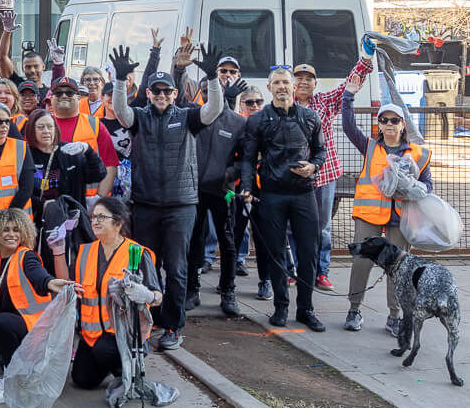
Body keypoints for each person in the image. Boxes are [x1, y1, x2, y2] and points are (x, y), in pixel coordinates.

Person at [108, 46, 221, 351]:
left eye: (166, 91)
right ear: (148, 92)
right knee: (143, 267)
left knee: (177, 268)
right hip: (144, 205)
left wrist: (212, 77)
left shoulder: (187, 117)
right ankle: (145, 324)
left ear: (174, 93)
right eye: (156, 91)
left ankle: (172, 325)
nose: (161, 95)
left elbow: (213, 110)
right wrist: (120, 80)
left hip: (181, 205)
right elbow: (121, 112)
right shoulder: (140, 117)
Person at [342, 71, 430, 335]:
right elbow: (348, 126)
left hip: (400, 218)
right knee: (361, 262)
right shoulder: (369, 147)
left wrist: (411, 187)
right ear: (379, 124)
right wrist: (348, 96)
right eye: (384, 120)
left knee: (398, 269)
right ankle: (354, 309)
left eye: (394, 120)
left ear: (403, 124)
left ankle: (395, 316)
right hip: (369, 215)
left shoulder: (418, 153)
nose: (389, 124)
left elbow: (428, 186)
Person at [240, 66, 327, 331]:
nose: (281, 87)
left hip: (303, 194)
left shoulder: (310, 117)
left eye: (285, 82)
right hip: (272, 194)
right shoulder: (258, 120)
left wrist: (313, 167)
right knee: (276, 252)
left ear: (293, 86)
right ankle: (280, 307)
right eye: (276, 82)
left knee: (308, 252)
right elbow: (247, 158)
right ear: (269, 88)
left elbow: (321, 151)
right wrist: (246, 188)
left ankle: (306, 309)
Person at [0, 208, 70, 401]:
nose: (12, 234)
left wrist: (48, 282)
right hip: (12, 327)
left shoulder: (26, 256)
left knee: (3, 321)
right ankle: (13, 371)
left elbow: (36, 273)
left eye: (16, 230)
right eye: (5, 230)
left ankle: (12, 382)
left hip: (36, 330)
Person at [293, 58, 373, 290]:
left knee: (323, 226)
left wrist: (365, 60)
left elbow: (351, 82)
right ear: (292, 82)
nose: (304, 82)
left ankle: (321, 271)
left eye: (309, 79)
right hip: (295, 177)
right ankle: (295, 269)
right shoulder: (286, 106)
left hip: (325, 175)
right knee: (293, 225)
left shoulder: (325, 102)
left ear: (315, 84)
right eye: (299, 78)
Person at [72, 196, 162, 389]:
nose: (94, 221)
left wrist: (148, 295)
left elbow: (158, 296)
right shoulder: (85, 252)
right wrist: (58, 252)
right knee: (82, 380)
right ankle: (110, 365)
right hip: (91, 334)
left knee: (105, 350)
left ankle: (128, 370)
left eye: (101, 217)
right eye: (93, 217)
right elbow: (72, 285)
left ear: (118, 223)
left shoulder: (137, 253)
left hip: (125, 333)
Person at [186, 72, 248, 318]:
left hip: (223, 191)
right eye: (202, 90)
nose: (206, 94)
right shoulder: (193, 117)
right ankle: (192, 289)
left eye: (210, 89)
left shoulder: (237, 122)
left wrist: (229, 175)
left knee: (227, 240)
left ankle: (228, 290)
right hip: (194, 190)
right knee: (195, 240)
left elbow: (244, 157)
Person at [48, 76, 117, 198]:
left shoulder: (95, 125)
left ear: (79, 98)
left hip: (88, 201)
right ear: (51, 98)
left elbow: (110, 165)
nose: (64, 96)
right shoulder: (42, 125)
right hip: (52, 202)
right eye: (58, 93)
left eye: (69, 93)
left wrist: (98, 199)